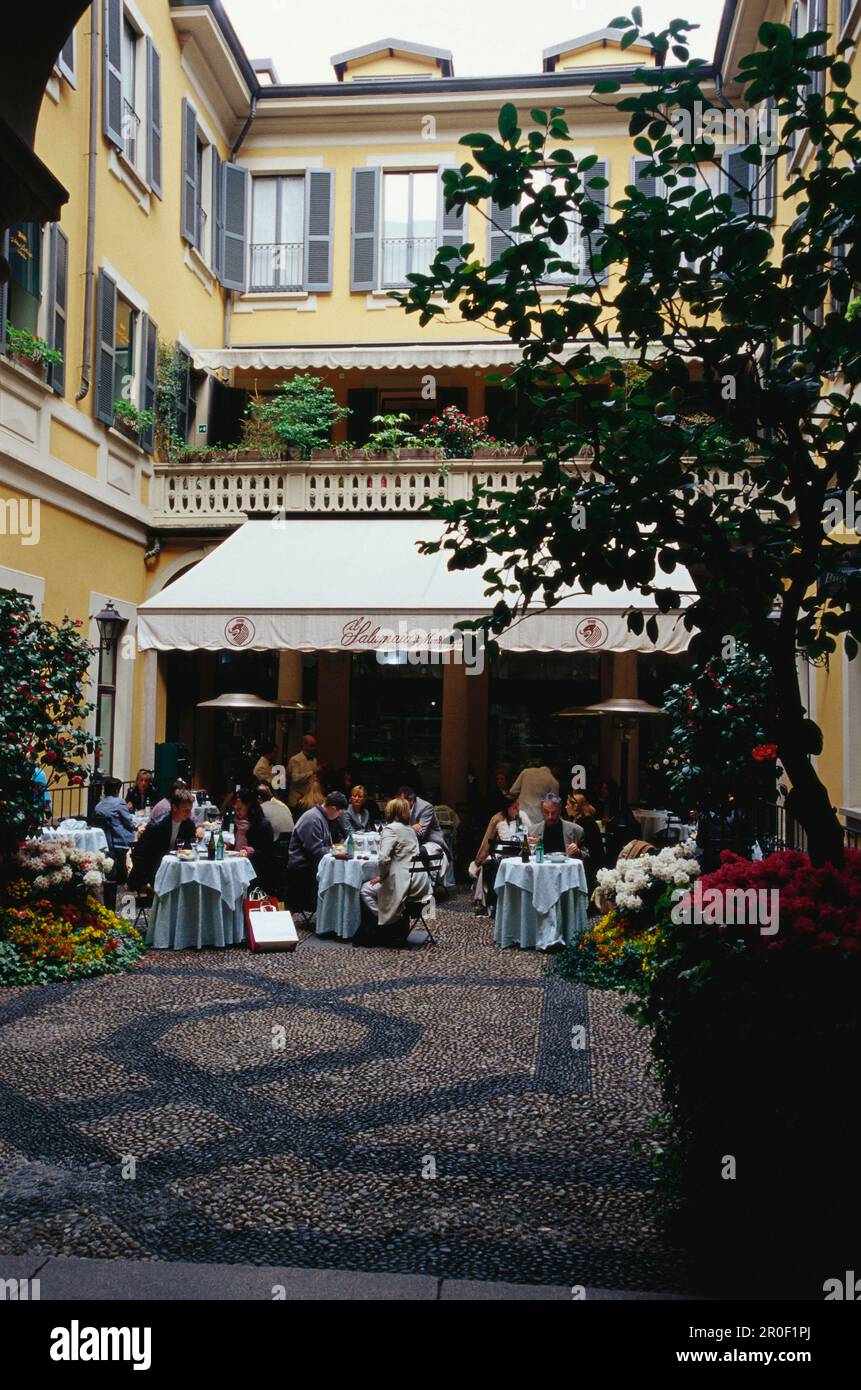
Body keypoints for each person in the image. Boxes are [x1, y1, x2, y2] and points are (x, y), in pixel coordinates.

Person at [358, 797, 435, 944]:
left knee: (365, 889)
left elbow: (383, 858)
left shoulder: (390, 829)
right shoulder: (410, 830)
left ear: (391, 811)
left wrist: (382, 875)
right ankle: (393, 919)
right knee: (375, 886)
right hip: (420, 883)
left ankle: (390, 922)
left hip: (404, 885)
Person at [470, 795, 532, 913]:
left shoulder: (521, 817)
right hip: (501, 853)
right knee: (490, 864)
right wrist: (478, 861)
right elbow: (487, 840)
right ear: (507, 808)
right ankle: (494, 900)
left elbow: (531, 833)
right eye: (514, 807)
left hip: (520, 852)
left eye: (518, 806)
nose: (517, 810)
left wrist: (530, 840)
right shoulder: (497, 818)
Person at [287, 791, 348, 911]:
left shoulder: (322, 817)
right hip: (303, 868)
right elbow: (315, 851)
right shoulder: (313, 818)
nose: (340, 816)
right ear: (333, 808)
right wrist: (337, 849)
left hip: (311, 865)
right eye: (340, 813)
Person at [128, 788, 198, 891]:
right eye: (186, 810)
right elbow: (140, 854)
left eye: (190, 810)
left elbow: (188, 851)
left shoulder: (189, 825)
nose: (189, 814)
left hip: (175, 870)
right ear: (174, 807)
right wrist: (144, 881)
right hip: (154, 870)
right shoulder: (157, 826)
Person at [397, 785, 449, 881]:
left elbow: (421, 834)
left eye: (402, 802)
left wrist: (403, 830)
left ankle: (420, 882)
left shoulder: (426, 807)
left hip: (430, 842)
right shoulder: (403, 807)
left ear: (411, 800)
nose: (399, 804)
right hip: (412, 841)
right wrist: (411, 828)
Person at [234, 786, 277, 894]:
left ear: (249, 806)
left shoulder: (262, 825)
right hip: (236, 865)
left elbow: (267, 855)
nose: (237, 812)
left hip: (255, 873)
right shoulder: (237, 822)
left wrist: (250, 851)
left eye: (239, 809)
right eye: (235, 809)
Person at [566, 791, 606, 888]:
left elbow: (592, 851)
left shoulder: (588, 823)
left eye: (567, 804)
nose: (565, 807)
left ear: (575, 807)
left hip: (590, 866)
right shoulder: (575, 820)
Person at [509, 760, 559, 825]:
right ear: (554, 768)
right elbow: (554, 804)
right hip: (538, 818)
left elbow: (512, 791)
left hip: (521, 812)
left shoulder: (526, 772)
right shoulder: (553, 782)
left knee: (519, 833)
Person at [538, 793, 584, 857]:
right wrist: (527, 848)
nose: (550, 817)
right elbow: (520, 858)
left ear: (560, 811)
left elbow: (589, 858)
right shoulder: (533, 831)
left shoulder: (576, 830)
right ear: (541, 811)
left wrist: (578, 852)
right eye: (546, 812)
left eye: (553, 812)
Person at [287, 734, 323, 812]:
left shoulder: (314, 760)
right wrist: (312, 772)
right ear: (304, 745)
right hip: (297, 799)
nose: (314, 748)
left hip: (310, 800)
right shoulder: (295, 759)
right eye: (311, 745)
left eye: (314, 745)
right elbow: (295, 778)